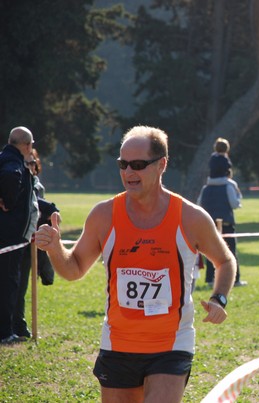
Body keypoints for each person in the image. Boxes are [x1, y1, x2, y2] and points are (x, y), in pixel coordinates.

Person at [35, 126, 236, 402]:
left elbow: (225, 260)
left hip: (172, 343)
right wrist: (55, 248)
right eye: (123, 164)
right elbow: (75, 268)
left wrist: (220, 298)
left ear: (161, 164)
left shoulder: (190, 217)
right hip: (118, 343)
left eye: (138, 165)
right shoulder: (104, 215)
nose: (129, 173)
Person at [13, 150, 59, 340]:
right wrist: (50, 208)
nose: (30, 167)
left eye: (32, 163)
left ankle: (18, 323)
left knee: (22, 286)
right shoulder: (19, 183)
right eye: (26, 164)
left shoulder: (36, 185)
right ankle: (13, 325)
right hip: (14, 241)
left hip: (31, 245)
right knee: (12, 286)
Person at [0, 126, 36, 345]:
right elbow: (10, 177)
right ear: (26, 145)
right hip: (10, 237)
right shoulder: (13, 164)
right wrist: (9, 200)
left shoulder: (3, 156)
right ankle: (5, 332)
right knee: (8, 283)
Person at [197, 137, 246, 287]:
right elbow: (234, 203)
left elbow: (200, 204)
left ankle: (211, 279)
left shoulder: (206, 188)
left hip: (210, 225)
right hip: (226, 222)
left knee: (212, 253)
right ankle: (235, 279)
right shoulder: (229, 186)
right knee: (230, 252)